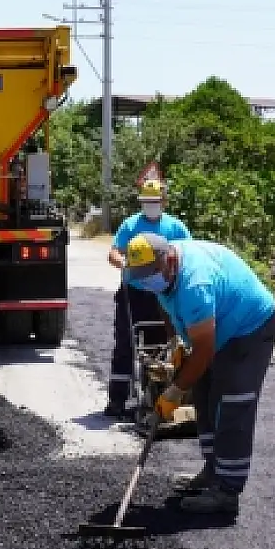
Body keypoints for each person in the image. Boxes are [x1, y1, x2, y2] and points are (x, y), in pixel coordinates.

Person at [122, 233, 275, 515]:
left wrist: (173, 392)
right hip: (214, 328)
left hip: (249, 329)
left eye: (151, 275)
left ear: (169, 260)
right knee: (204, 395)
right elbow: (164, 302)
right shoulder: (159, 273)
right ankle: (212, 470)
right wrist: (178, 341)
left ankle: (227, 491)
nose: (147, 282)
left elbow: (204, 352)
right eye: (141, 277)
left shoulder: (195, 283)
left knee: (232, 403)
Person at [104, 178, 192, 418]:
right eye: (147, 202)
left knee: (158, 346)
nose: (151, 205)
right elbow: (114, 251)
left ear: (163, 201)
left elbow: (187, 254)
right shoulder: (131, 225)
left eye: (155, 201)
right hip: (133, 295)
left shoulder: (176, 228)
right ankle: (117, 401)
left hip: (161, 294)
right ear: (141, 202)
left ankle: (152, 396)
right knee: (125, 345)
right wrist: (120, 261)